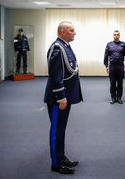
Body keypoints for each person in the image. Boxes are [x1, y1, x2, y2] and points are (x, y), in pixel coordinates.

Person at [44, 21, 83, 174]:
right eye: (72, 30)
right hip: (58, 98)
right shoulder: (57, 48)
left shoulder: (65, 46)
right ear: (63, 32)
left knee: (61, 129)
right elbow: (55, 75)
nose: (75, 33)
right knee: (56, 131)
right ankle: (56, 164)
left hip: (66, 95)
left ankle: (61, 156)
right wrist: (61, 97)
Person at [104, 30, 125, 104]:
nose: (116, 36)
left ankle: (119, 98)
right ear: (113, 36)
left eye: (117, 35)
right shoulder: (109, 44)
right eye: (115, 35)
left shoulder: (123, 44)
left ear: (119, 36)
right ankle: (113, 98)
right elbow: (106, 55)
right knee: (112, 83)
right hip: (112, 66)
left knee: (120, 83)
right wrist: (106, 66)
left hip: (120, 66)